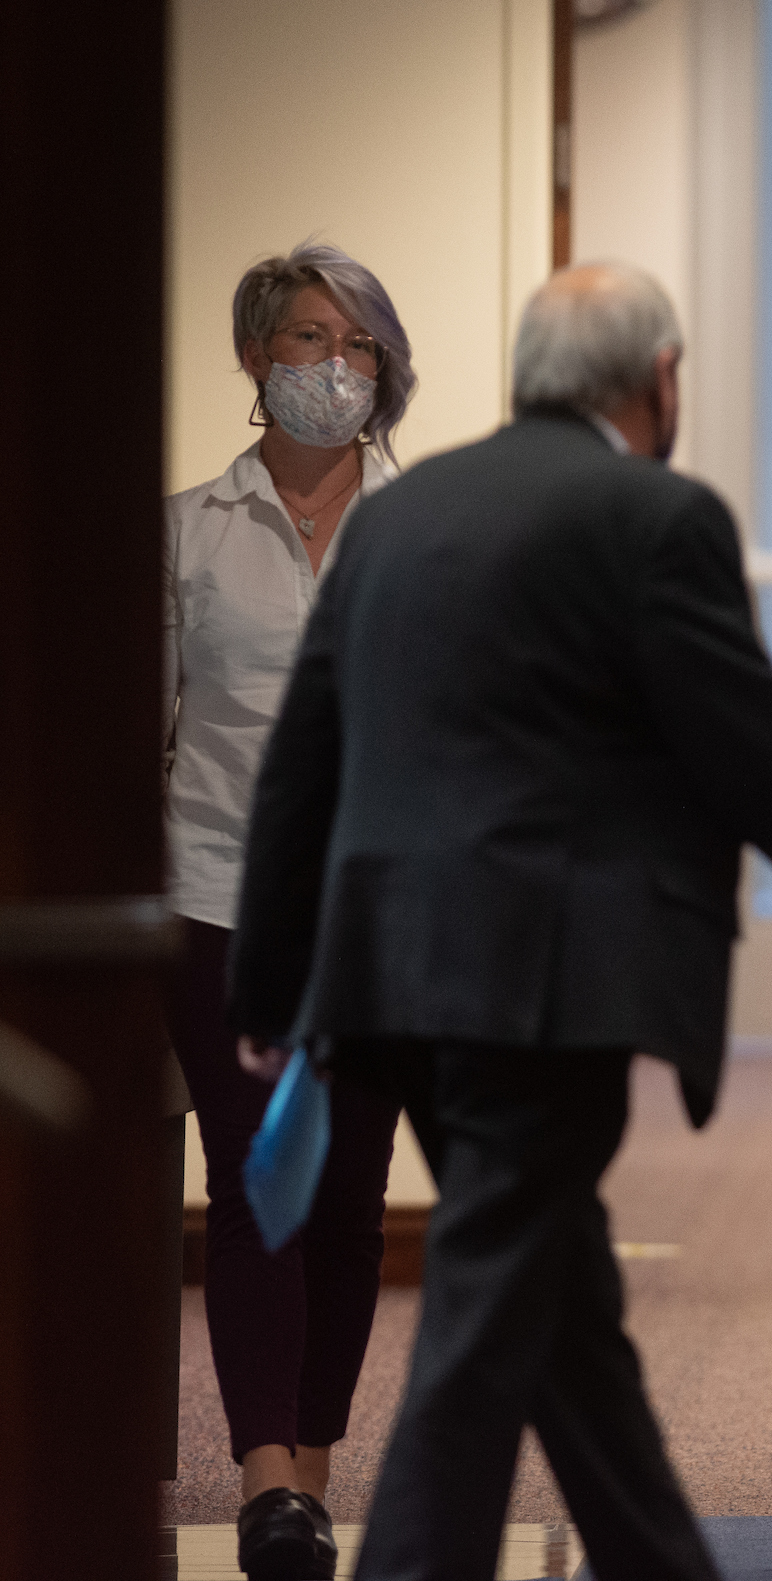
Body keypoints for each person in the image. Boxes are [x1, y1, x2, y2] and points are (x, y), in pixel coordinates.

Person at [227, 263, 772, 1581]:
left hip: (390, 977)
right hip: (548, 983)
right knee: (490, 1304)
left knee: (562, 1304)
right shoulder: (655, 516)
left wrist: (272, 993)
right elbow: (749, 741)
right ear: (656, 378)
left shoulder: (404, 511)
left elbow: (301, 766)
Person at [164, 240, 416, 1579]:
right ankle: (267, 1477)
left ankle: (310, 1470)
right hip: (222, 903)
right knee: (259, 1183)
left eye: (360, 345)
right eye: (314, 340)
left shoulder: (425, 528)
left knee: (350, 1202)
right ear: (257, 357)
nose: (338, 367)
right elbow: (140, 736)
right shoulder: (187, 534)